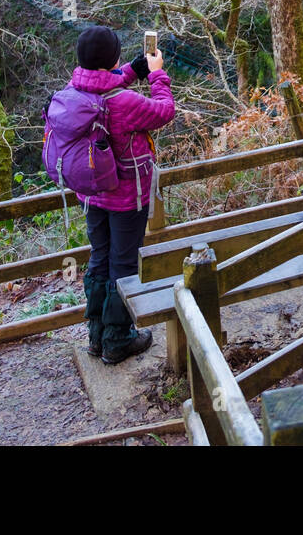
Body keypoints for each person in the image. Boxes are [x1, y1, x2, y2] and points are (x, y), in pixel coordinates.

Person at [72, 25, 176, 365]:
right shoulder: (125, 103)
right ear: (111, 58)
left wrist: (136, 68)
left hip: (92, 194)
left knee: (99, 258)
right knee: (124, 263)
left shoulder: (76, 91)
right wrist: (157, 76)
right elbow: (163, 111)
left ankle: (96, 335)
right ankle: (118, 339)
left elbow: (109, 80)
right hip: (126, 196)